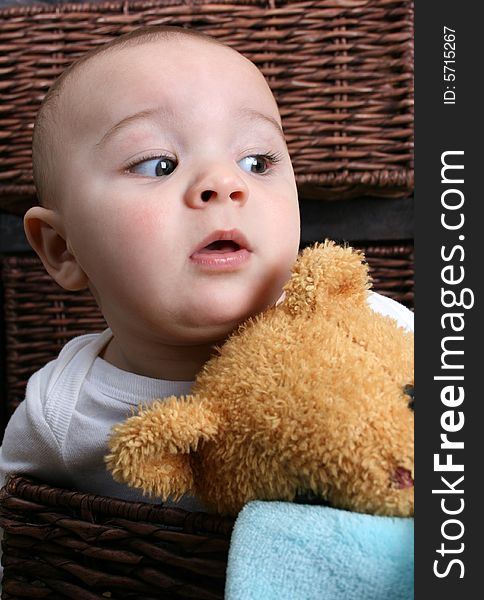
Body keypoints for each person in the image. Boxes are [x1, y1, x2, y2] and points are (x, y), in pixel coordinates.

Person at [0, 25, 413, 510]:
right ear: (63, 249)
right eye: (158, 164)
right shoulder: (62, 410)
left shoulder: (362, 326)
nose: (224, 182)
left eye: (257, 162)